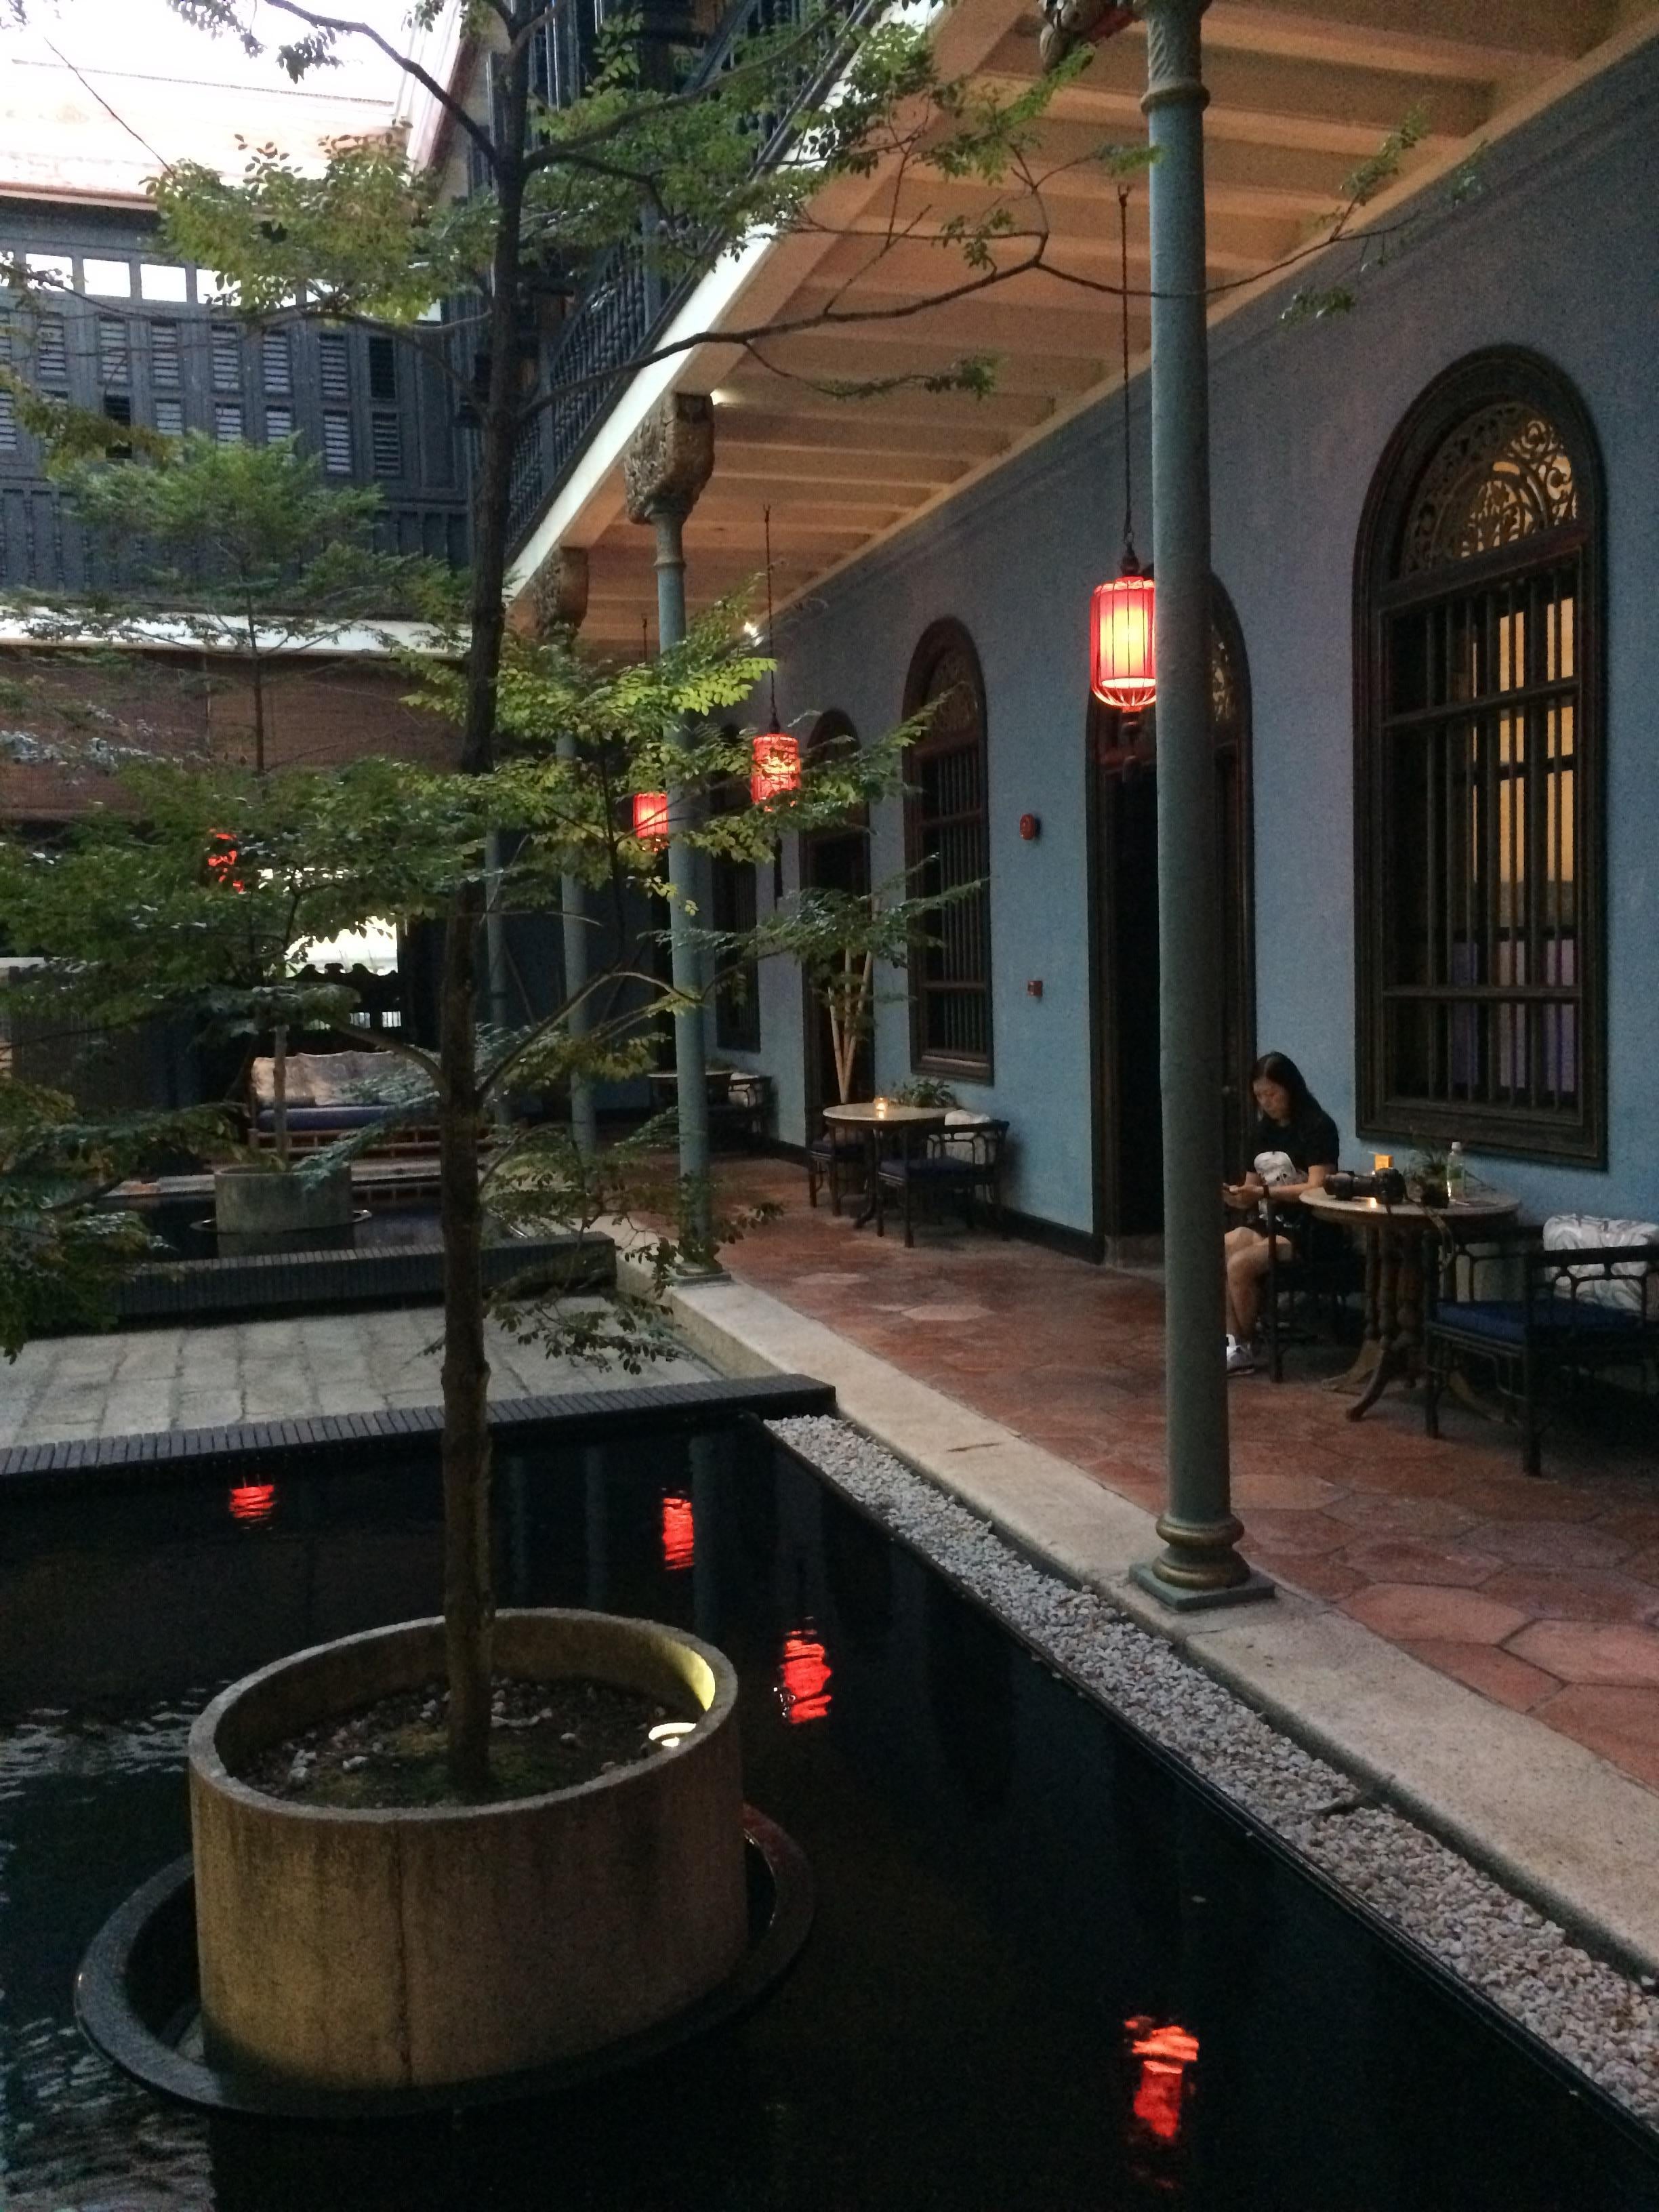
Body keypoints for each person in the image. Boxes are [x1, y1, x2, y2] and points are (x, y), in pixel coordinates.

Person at [1221, 1052, 1339, 1374]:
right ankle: (1234, 1341)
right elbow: (1250, 1189)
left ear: (1290, 1088)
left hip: (1309, 1227)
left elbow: (1317, 1186)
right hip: (1269, 1219)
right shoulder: (1262, 1132)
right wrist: (1235, 1196)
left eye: (1272, 1094)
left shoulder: (1317, 1126)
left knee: (1241, 1264)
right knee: (1220, 1249)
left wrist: (1263, 1193)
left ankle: (1243, 1345)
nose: (1266, 1102)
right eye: (1259, 1096)